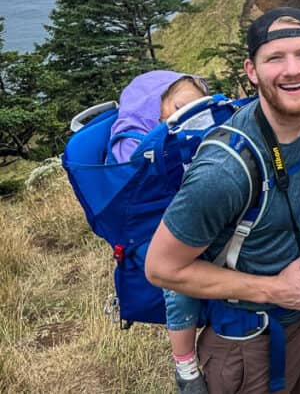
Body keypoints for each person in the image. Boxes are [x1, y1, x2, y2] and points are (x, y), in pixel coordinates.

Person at [146, 7, 300, 394]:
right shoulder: (226, 170)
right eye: (274, 59)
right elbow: (161, 269)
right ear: (252, 71)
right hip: (248, 343)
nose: (292, 70)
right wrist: (273, 290)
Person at [111, 72, 210, 393]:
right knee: (180, 280)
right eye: (180, 106)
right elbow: (142, 174)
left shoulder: (183, 131)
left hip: (182, 210)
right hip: (151, 227)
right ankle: (185, 366)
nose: (186, 115)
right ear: (156, 102)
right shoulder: (131, 136)